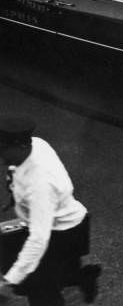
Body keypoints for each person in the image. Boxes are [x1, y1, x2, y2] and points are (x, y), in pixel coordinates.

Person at [0, 116, 101, 305]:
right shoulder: (36, 144)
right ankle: (83, 277)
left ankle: (81, 278)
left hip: (60, 234)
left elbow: (39, 239)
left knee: (41, 290)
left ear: (20, 146)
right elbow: (17, 170)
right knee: (53, 274)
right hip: (68, 223)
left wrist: (9, 281)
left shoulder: (40, 185)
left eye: (3, 148)